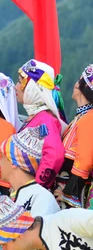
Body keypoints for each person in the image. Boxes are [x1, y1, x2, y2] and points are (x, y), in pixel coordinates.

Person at [15, 59, 65, 189]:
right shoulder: (36, 116)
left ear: (33, 89)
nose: (15, 86)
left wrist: (37, 187)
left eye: (20, 82)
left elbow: (55, 155)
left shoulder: (46, 119)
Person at [55, 64, 93, 208]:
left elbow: (84, 160)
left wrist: (69, 194)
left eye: (79, 80)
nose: (75, 84)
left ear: (84, 87)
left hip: (75, 193)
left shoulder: (89, 118)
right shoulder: (80, 118)